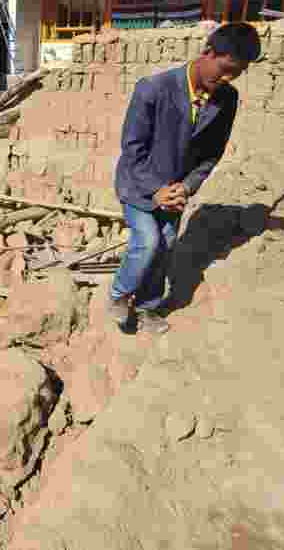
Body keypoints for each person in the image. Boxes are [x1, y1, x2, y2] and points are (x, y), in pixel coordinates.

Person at [107, 22, 262, 334]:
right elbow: (132, 150)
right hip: (139, 183)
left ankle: (148, 308)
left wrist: (187, 187)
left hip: (176, 191)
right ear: (207, 53)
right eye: (225, 69)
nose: (228, 79)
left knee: (165, 245)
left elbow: (210, 155)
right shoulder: (153, 89)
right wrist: (155, 189)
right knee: (147, 242)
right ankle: (119, 294)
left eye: (237, 74)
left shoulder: (226, 99)